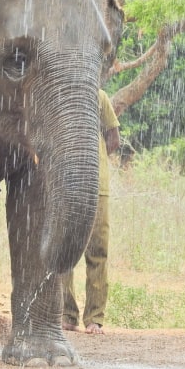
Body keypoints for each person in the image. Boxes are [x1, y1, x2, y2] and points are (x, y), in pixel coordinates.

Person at [61, 88, 120, 335]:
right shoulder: (65, 93)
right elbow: (113, 139)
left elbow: (113, 138)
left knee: (94, 251)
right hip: (68, 186)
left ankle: (90, 317)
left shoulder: (99, 96)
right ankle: (72, 315)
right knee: (65, 251)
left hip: (94, 187)